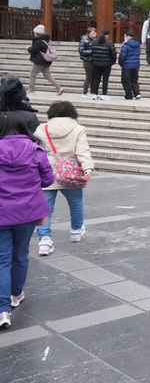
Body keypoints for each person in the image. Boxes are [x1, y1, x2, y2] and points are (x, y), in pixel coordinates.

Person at [0, 110, 53, 329]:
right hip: (28, 212)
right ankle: (16, 294)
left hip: (1, 213)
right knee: (20, 254)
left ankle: (2, 310)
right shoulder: (35, 150)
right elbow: (48, 180)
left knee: (2, 259)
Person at [33, 101, 93, 257]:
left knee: (45, 208)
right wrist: (87, 168)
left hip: (47, 172)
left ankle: (45, 241)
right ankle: (76, 231)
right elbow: (83, 151)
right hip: (70, 173)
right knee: (76, 204)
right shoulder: (78, 129)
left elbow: (37, 152)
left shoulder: (42, 128)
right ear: (72, 113)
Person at [26, 24, 64, 96]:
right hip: (47, 60)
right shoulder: (47, 40)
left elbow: (34, 51)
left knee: (32, 74)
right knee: (47, 75)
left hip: (39, 61)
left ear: (36, 33)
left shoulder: (38, 41)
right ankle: (59, 87)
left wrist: (28, 48)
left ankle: (31, 90)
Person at [89, 29, 116, 100]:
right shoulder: (109, 43)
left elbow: (91, 53)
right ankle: (104, 94)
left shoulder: (94, 42)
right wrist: (112, 62)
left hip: (96, 63)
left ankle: (95, 94)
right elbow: (113, 54)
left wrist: (93, 60)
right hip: (107, 64)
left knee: (96, 79)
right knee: (105, 79)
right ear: (107, 35)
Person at [117, 29, 142, 100]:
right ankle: (137, 93)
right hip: (136, 65)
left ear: (128, 36)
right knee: (134, 80)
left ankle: (129, 95)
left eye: (125, 36)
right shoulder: (137, 44)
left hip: (127, 65)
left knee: (126, 80)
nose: (124, 38)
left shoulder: (125, 45)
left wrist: (120, 63)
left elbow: (122, 55)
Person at [78, 27, 96, 98]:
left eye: (95, 33)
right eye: (93, 33)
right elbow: (81, 51)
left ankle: (92, 91)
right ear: (88, 34)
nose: (95, 34)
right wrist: (92, 51)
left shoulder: (95, 40)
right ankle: (85, 92)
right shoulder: (84, 40)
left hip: (94, 60)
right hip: (87, 60)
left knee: (93, 77)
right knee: (88, 76)